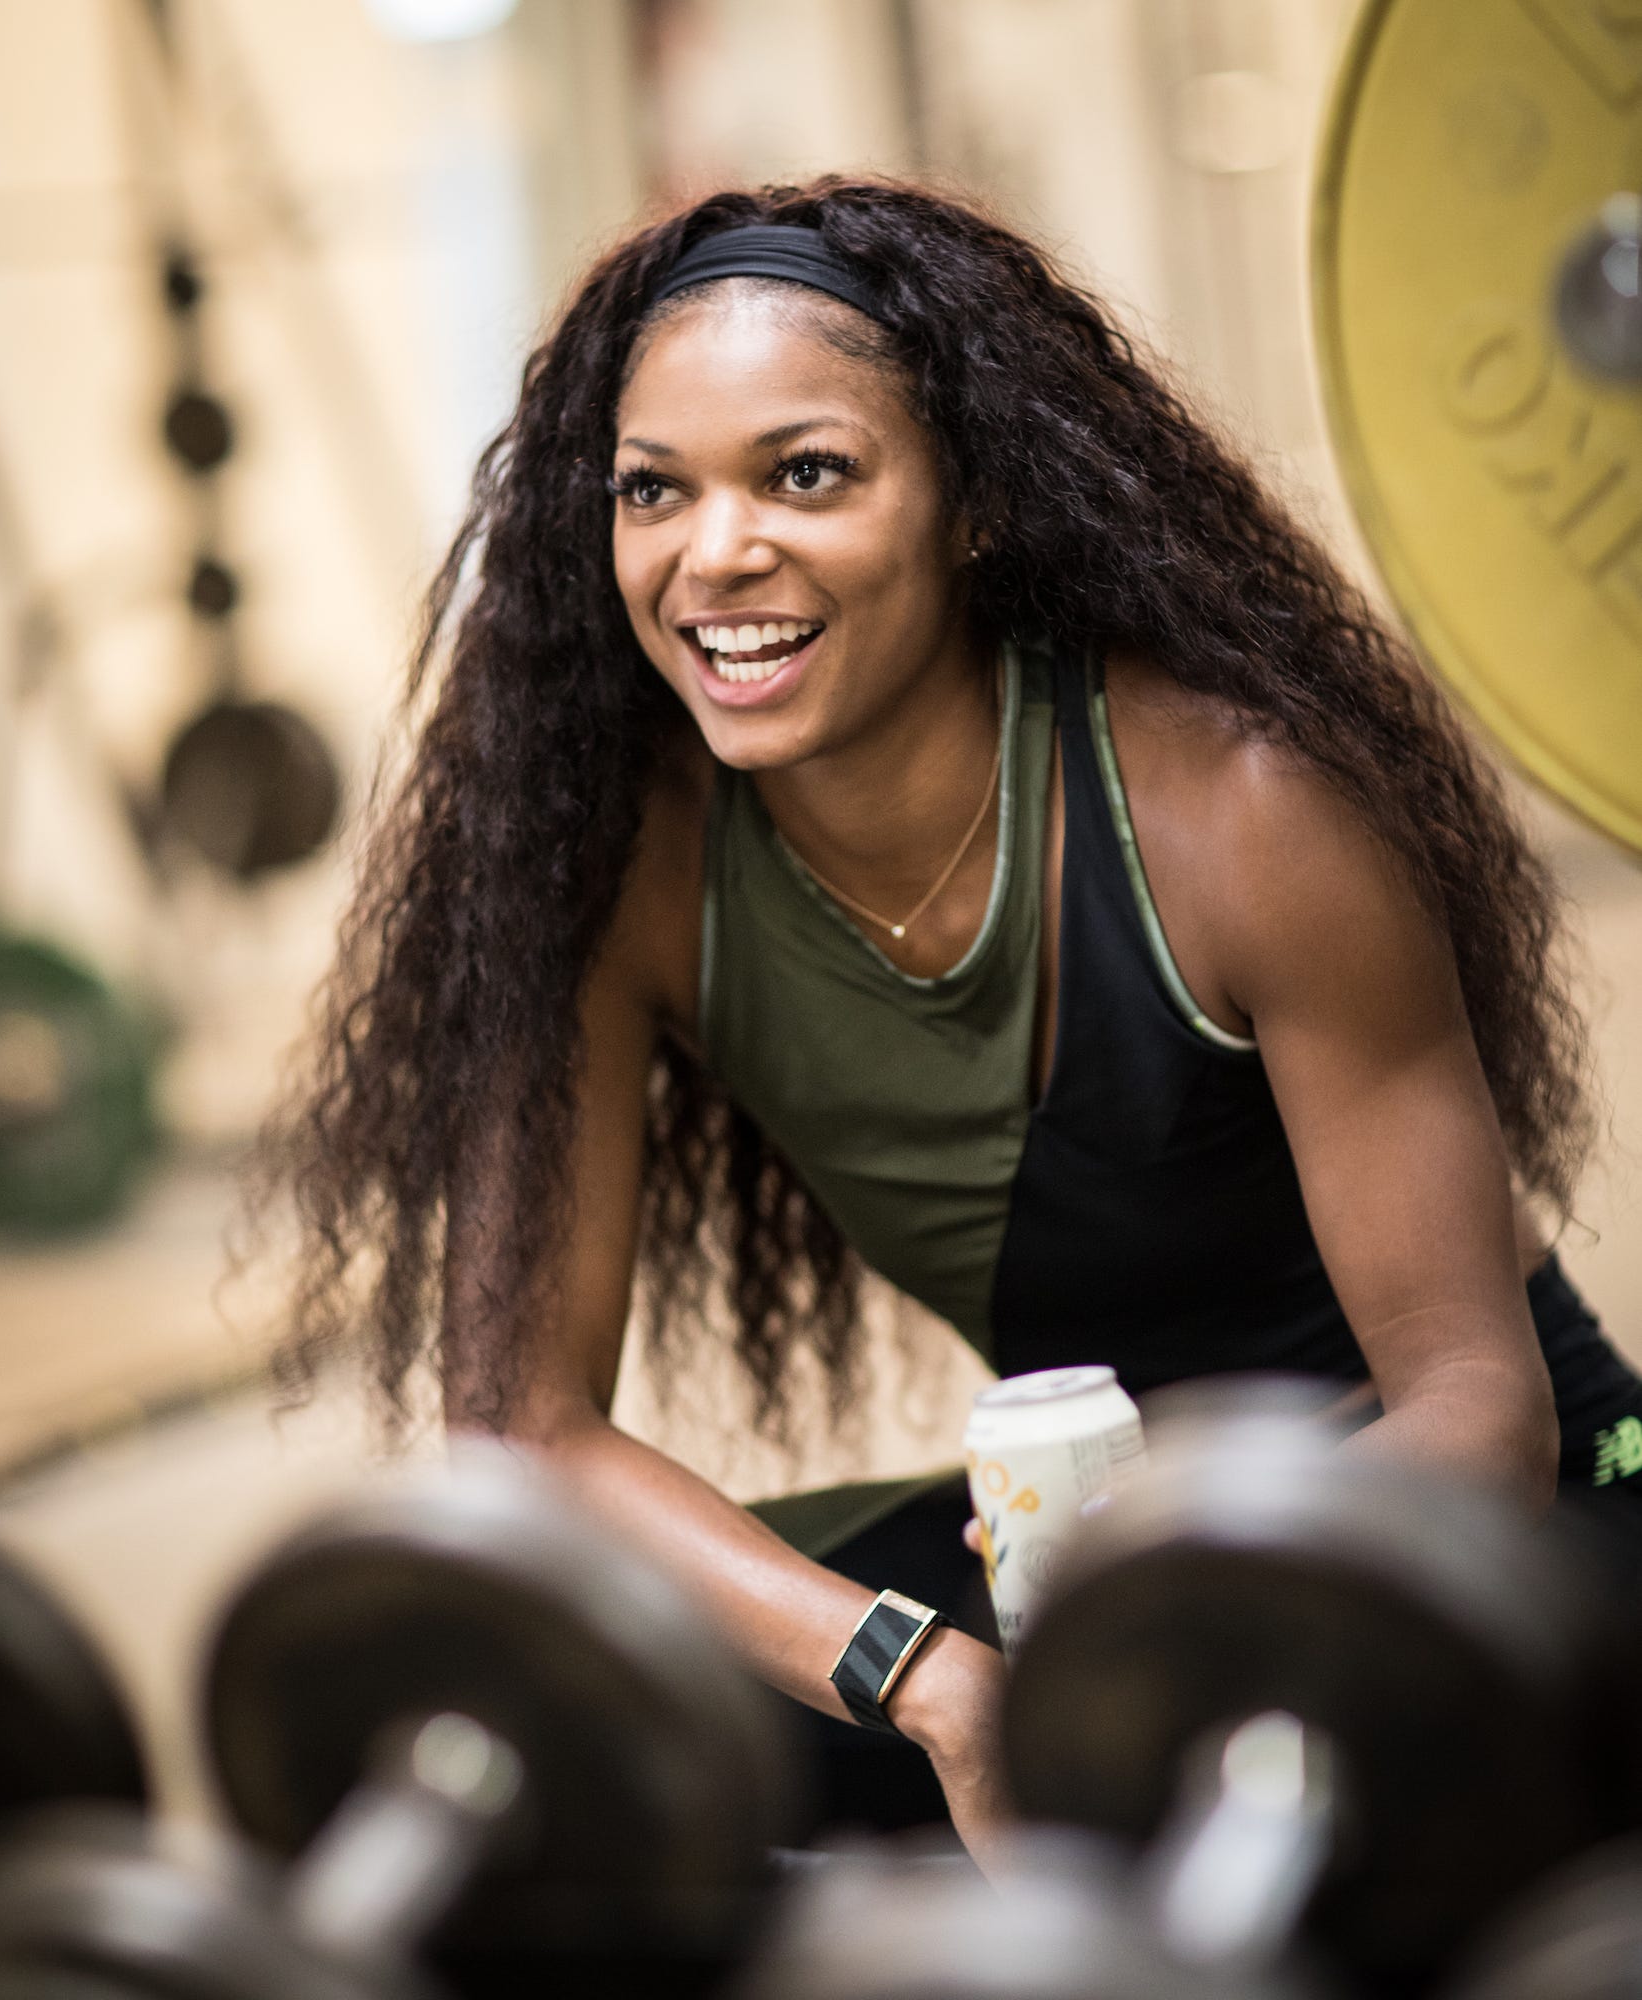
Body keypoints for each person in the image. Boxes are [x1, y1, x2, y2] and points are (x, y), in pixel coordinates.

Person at [253, 178, 1642, 1861]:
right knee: (499, 1680)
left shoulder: (1244, 813)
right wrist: (925, 1683)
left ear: (970, 501)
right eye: (651, 492)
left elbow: (1476, 1406)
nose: (716, 552)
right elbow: (523, 1428)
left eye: (805, 473)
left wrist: (1158, 1640)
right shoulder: (613, 869)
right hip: (1071, 1554)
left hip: (1471, 1527)